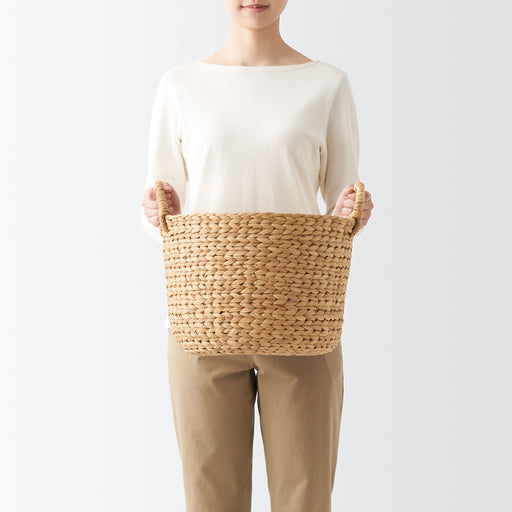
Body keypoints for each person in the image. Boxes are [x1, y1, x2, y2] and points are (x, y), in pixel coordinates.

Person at [140, 1, 374, 510]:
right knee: (210, 501)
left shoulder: (326, 84)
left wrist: (352, 211)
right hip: (202, 321)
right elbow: (161, 208)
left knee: (304, 499)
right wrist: (157, 211)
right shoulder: (180, 85)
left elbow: (341, 203)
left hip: (301, 319)